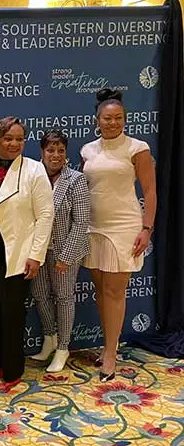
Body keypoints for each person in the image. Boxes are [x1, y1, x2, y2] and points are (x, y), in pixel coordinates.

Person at [81, 89, 156, 382]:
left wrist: (146, 228)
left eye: (118, 118)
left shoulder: (137, 148)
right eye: (107, 118)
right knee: (101, 291)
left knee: (114, 291)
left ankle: (111, 353)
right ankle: (106, 344)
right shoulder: (88, 150)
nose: (113, 123)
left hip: (124, 226)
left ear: (125, 119)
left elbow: (149, 191)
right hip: (93, 226)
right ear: (97, 120)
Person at [0, 116, 54, 388]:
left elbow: (46, 215)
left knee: (12, 314)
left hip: (19, 255)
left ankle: (14, 370)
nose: (14, 144)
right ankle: (2, 362)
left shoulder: (35, 170)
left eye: (19, 139)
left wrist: (36, 255)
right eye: (8, 138)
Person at [30, 130, 91, 372]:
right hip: (38, 251)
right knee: (40, 294)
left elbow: (82, 220)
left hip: (66, 249)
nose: (55, 155)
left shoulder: (75, 179)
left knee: (64, 298)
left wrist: (66, 256)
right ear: (42, 152)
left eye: (60, 150)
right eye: (50, 150)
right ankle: (49, 339)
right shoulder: (33, 175)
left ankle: (64, 348)